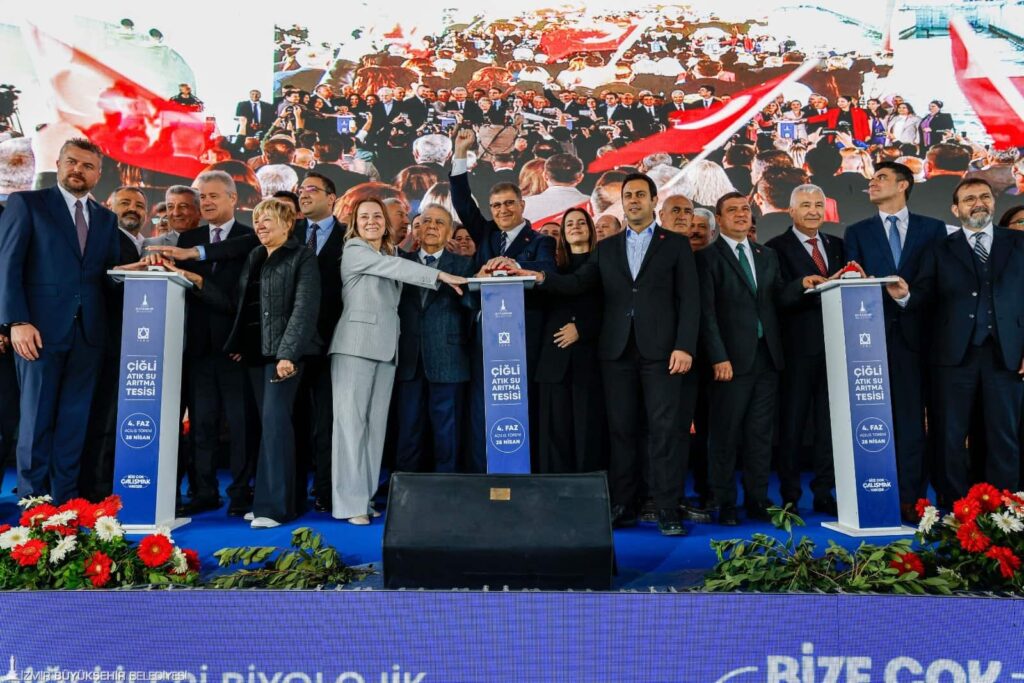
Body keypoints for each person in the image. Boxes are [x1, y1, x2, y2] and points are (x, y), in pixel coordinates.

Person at [515, 172, 700, 537]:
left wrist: (684, 346)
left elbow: (690, 300)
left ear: (653, 201)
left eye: (640, 195)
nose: (633, 201)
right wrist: (539, 278)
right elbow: (578, 282)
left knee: (663, 431)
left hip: (663, 353)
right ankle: (623, 505)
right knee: (621, 431)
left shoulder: (675, 244)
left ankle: (666, 508)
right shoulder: (608, 247)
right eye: (628, 195)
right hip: (616, 352)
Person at [159, 199, 321, 528]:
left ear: (287, 224)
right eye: (258, 220)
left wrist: (287, 354)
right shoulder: (256, 256)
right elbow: (237, 305)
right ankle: (275, 503)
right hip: (256, 357)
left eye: (268, 220)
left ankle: (274, 509)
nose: (260, 225)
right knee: (269, 429)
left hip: (283, 357)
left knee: (275, 427)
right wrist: (194, 280)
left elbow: (304, 310)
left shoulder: (302, 256)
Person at [329, 197, 467, 524]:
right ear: (355, 223)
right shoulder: (355, 249)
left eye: (377, 216)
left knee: (374, 428)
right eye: (365, 217)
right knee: (351, 428)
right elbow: (399, 270)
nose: (372, 222)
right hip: (355, 347)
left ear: (386, 223)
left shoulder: (387, 252)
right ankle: (349, 505)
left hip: (387, 350)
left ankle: (364, 499)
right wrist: (442, 275)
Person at [886, 178, 1024, 497]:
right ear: (955, 209)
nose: (978, 203)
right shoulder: (938, 249)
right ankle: (954, 505)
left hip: (1007, 356)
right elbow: (923, 296)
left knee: (1003, 434)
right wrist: (904, 295)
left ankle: (1004, 504)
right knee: (949, 434)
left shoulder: (1018, 244)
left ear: (994, 202)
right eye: (969, 199)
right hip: (952, 357)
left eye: (985, 197)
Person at [0, 138, 120, 503]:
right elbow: (7, 266)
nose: (78, 170)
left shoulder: (106, 219)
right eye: (72, 162)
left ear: (98, 174)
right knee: (36, 421)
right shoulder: (27, 204)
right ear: (58, 164)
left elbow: (107, 276)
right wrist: (16, 322)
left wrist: (143, 271)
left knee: (74, 423)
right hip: (37, 332)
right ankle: (33, 504)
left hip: (89, 335)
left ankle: (65, 504)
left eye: (87, 166)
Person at [449, 128, 556, 473]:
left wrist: (518, 267)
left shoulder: (540, 241)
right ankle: (485, 472)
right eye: (496, 205)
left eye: (509, 203)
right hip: (485, 339)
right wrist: (460, 153)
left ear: (522, 205)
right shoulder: (486, 234)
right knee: (484, 407)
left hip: (525, 340)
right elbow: (462, 201)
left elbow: (547, 270)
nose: (502, 209)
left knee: (523, 406)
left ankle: (525, 473)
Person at [844, 161, 947, 520]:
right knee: (872, 422)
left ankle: (912, 498)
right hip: (869, 341)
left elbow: (938, 282)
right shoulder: (857, 232)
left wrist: (907, 298)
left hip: (922, 338)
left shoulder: (933, 229)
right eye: (872, 178)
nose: (873, 183)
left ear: (903, 185)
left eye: (882, 178)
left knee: (912, 422)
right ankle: (874, 494)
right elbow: (854, 284)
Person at [698, 193, 808, 525]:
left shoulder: (766, 255)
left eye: (745, 209)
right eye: (732, 210)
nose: (740, 214)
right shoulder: (707, 257)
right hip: (729, 363)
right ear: (719, 219)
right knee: (725, 435)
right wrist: (718, 357)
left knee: (760, 436)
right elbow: (706, 314)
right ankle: (725, 503)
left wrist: (801, 285)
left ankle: (757, 500)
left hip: (766, 359)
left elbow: (777, 297)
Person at [175, 170, 256, 516]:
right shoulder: (187, 238)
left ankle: (241, 493)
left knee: (241, 427)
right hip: (198, 350)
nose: (206, 202)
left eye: (213, 196)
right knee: (202, 426)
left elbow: (252, 298)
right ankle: (204, 491)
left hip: (236, 350)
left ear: (232, 198)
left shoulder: (250, 236)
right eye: (202, 197)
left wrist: (245, 340)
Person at [765, 184, 845, 514]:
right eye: (806, 205)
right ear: (791, 211)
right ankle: (790, 495)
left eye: (818, 205)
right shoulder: (775, 248)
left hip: (837, 349)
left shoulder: (838, 245)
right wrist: (801, 285)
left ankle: (824, 492)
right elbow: (776, 298)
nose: (813, 211)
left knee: (830, 426)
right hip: (796, 351)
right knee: (792, 427)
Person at [79, 186, 150, 502]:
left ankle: (104, 484)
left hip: (131, 343)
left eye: (139, 205)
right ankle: (96, 488)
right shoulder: (104, 238)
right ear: (108, 206)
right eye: (125, 202)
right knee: (104, 417)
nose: (133, 208)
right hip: (106, 342)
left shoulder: (141, 244)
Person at [394, 204, 475, 474]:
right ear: (416, 228)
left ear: (450, 232)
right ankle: (405, 488)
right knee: (408, 430)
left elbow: (472, 307)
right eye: (426, 221)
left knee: (447, 432)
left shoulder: (464, 264)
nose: (431, 226)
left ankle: (447, 489)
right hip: (408, 358)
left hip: (448, 358)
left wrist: (473, 284)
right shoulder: (399, 262)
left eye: (439, 222)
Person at [535, 208, 605, 474]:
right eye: (569, 224)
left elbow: (614, 309)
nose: (575, 226)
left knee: (588, 433)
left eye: (581, 222)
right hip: (553, 362)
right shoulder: (553, 268)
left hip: (588, 362)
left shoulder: (606, 265)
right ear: (563, 234)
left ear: (590, 228)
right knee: (555, 434)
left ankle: (587, 490)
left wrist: (582, 329)